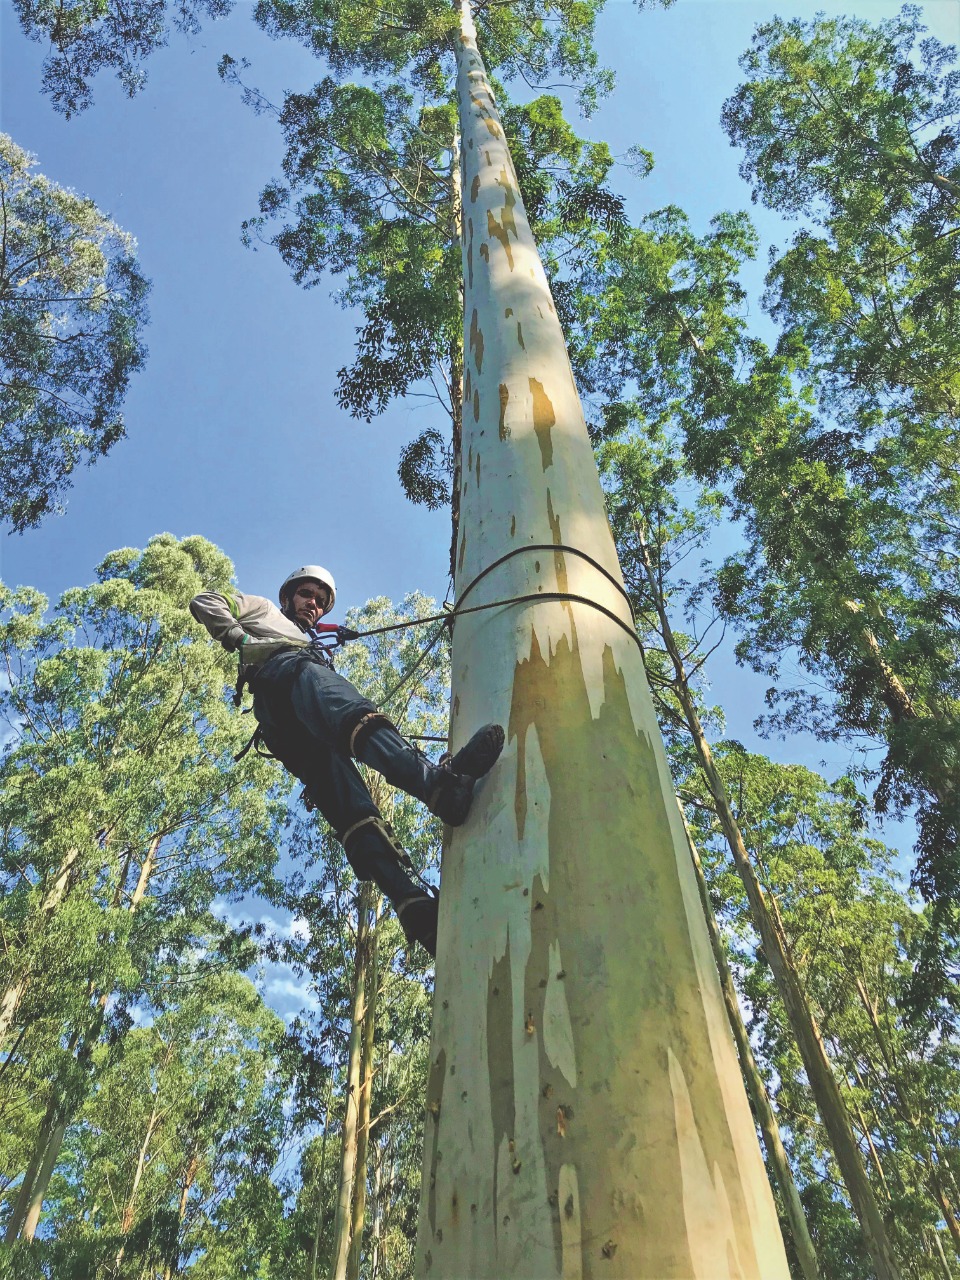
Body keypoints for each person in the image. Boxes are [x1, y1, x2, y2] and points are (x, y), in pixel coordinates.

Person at [190, 565, 504, 957]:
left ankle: (412, 906)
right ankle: (435, 784)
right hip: (284, 680)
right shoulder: (263, 610)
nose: (313, 605)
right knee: (346, 707)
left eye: (321, 602)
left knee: (348, 803)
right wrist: (238, 637)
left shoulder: (315, 642)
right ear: (288, 597)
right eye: (306, 595)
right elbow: (206, 600)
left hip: (295, 729)